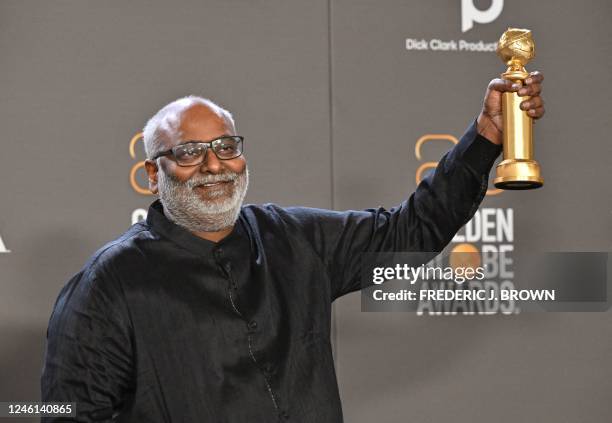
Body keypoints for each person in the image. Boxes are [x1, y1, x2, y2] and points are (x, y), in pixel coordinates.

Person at [41, 73, 545, 422]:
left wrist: (486, 136)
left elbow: (410, 232)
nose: (214, 165)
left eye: (226, 147)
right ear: (154, 172)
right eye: (189, 152)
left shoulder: (295, 239)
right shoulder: (108, 285)